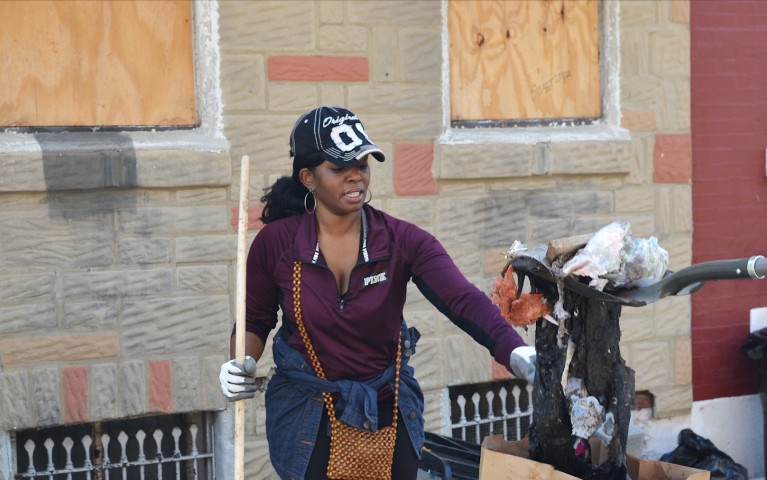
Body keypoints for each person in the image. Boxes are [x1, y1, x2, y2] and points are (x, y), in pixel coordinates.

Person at [219, 106, 536, 480]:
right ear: (308, 178)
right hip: (307, 415)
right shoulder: (276, 245)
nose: (356, 177)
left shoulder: (401, 240)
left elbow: (461, 300)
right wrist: (242, 363)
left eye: (363, 164)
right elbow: (255, 319)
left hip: (387, 407)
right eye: (339, 168)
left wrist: (515, 350)